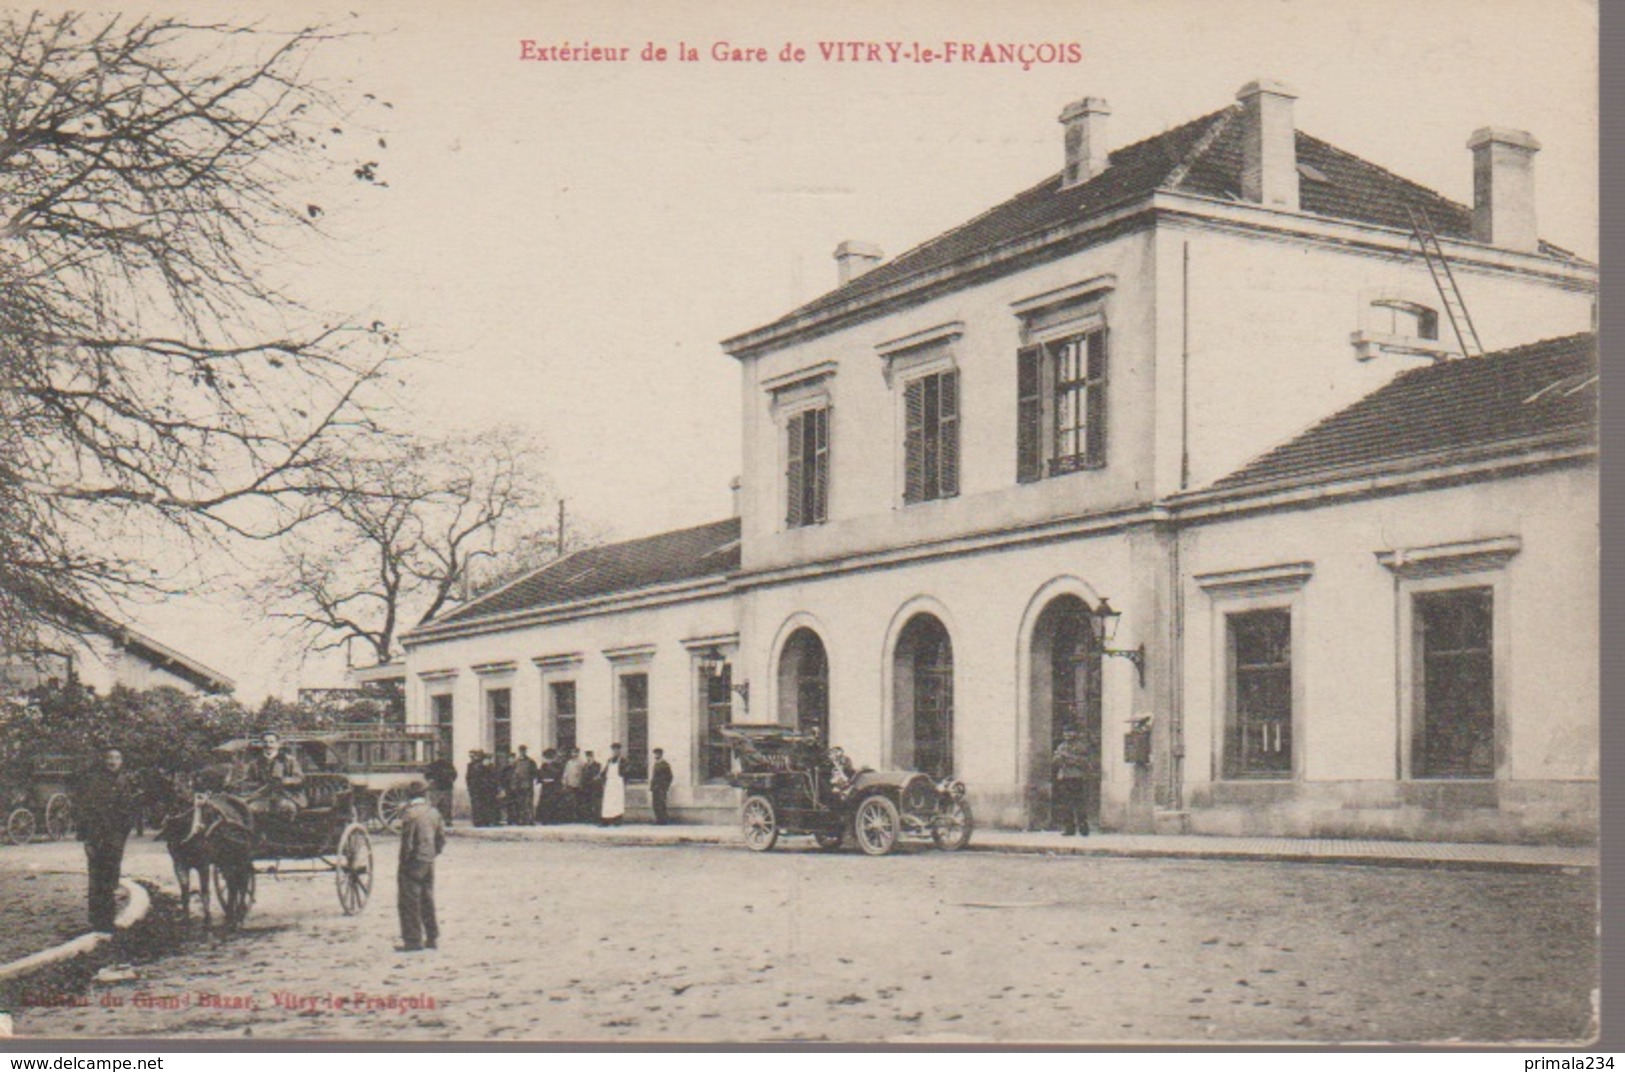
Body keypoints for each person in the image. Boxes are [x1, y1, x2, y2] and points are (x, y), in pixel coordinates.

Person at [73, 747, 139, 932]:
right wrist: (86, 838)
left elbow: (129, 809)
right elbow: (84, 808)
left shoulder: (125, 781)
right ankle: (97, 920)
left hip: (116, 837)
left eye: (117, 758)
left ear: (122, 761)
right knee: (96, 877)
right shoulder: (94, 781)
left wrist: (123, 832)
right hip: (96, 836)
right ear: (104, 760)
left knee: (111, 877)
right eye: (109, 757)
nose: (113, 761)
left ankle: (108, 919)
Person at [395, 780, 445, 953]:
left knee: (409, 901)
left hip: (413, 861)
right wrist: (432, 854)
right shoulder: (433, 812)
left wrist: (404, 862)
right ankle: (432, 937)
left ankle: (413, 940)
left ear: (410, 796)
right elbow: (441, 839)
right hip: (428, 860)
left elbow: (407, 843)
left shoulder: (410, 814)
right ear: (425, 794)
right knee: (427, 898)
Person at [247, 730, 305, 821]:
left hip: (285, 794)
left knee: (287, 808)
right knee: (251, 809)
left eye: (271, 742)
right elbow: (249, 780)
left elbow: (299, 778)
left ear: (278, 744)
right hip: (262, 796)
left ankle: (286, 833)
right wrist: (257, 784)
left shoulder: (288, 760)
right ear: (261, 744)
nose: (268, 745)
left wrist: (287, 780)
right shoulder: (255, 763)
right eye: (265, 742)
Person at [1051, 725, 1094, 836]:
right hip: (1064, 777)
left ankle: (1083, 828)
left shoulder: (1081, 747)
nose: (1067, 735)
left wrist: (1068, 758)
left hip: (1077, 776)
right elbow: (1056, 761)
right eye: (1065, 733)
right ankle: (1069, 828)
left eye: (1070, 732)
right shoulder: (1061, 746)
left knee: (1079, 803)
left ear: (1075, 733)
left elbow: (1085, 762)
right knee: (1066, 804)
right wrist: (1058, 758)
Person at [422, 754, 458, 826]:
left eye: (442, 756)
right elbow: (427, 775)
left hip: (442, 788)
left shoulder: (446, 765)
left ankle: (444, 821)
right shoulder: (446, 765)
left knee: (443, 806)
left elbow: (454, 775)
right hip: (441, 788)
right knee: (441, 806)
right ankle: (442, 821)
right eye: (440, 756)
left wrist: (450, 780)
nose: (441, 758)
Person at [598, 744, 628, 826]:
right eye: (614, 750)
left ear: (619, 751)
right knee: (608, 802)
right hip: (609, 783)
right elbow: (605, 771)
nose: (615, 752)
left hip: (618, 783)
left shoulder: (623, 761)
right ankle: (606, 820)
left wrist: (623, 780)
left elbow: (626, 772)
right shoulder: (609, 760)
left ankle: (617, 820)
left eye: (617, 750)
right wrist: (600, 776)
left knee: (617, 802)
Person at [508, 746, 538, 825]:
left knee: (528, 803)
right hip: (519, 785)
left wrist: (531, 780)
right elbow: (514, 774)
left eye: (524, 751)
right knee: (520, 803)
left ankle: (530, 820)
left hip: (528, 785)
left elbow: (535, 773)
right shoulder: (516, 762)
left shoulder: (531, 762)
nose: (522, 752)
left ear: (526, 751)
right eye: (521, 751)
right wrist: (514, 785)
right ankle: (521, 820)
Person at [536, 747, 562, 824]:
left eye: (550, 758)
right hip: (545, 786)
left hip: (554, 786)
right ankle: (544, 819)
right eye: (547, 758)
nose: (548, 760)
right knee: (544, 803)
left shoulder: (557, 765)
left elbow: (559, 774)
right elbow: (540, 774)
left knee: (553, 802)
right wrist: (541, 780)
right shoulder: (544, 765)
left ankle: (553, 819)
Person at [648, 747, 673, 825]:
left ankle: (663, 820)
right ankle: (658, 819)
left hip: (661, 788)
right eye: (655, 754)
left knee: (661, 804)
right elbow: (654, 776)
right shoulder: (656, 764)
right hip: (655, 788)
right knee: (655, 804)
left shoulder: (665, 764)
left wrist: (665, 786)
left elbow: (670, 776)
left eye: (658, 754)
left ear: (661, 754)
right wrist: (652, 787)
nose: (656, 755)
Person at [561, 748, 586, 823]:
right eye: (573, 753)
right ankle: (570, 817)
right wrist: (564, 781)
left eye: (576, 753)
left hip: (578, 784)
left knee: (578, 801)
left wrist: (581, 782)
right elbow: (565, 773)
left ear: (578, 754)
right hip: (570, 784)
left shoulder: (581, 763)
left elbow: (583, 773)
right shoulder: (569, 763)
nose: (574, 754)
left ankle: (578, 818)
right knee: (570, 801)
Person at [580, 750, 602, 823]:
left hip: (594, 787)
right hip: (586, 787)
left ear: (593, 757)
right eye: (587, 756)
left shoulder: (597, 765)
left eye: (590, 756)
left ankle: (597, 819)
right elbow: (583, 776)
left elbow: (595, 774)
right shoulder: (585, 766)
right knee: (587, 803)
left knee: (595, 804)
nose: (589, 758)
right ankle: (588, 819)